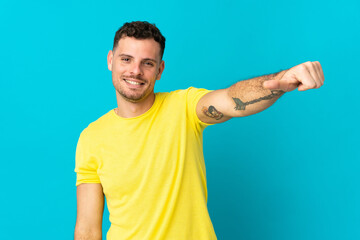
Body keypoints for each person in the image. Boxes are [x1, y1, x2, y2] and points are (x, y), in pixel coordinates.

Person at [74, 21, 324, 240]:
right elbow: (87, 230)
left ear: (160, 70)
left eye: (147, 63)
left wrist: (281, 80)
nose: (135, 71)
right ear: (110, 60)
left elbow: (231, 100)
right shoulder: (91, 137)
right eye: (126, 59)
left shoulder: (185, 106)